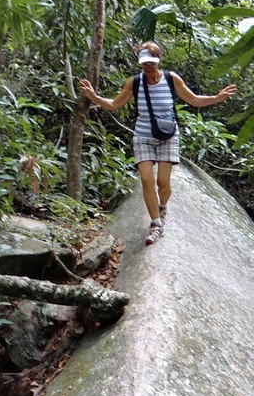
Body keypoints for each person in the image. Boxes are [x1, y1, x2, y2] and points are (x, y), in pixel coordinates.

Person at [79, 41, 237, 245]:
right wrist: (94, 97)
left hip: (168, 135)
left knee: (163, 183)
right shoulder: (134, 82)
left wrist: (217, 97)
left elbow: (194, 100)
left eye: (151, 63)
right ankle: (156, 224)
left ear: (158, 60)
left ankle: (162, 206)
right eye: (144, 63)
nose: (148, 67)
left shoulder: (172, 79)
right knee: (146, 179)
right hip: (143, 135)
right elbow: (114, 104)